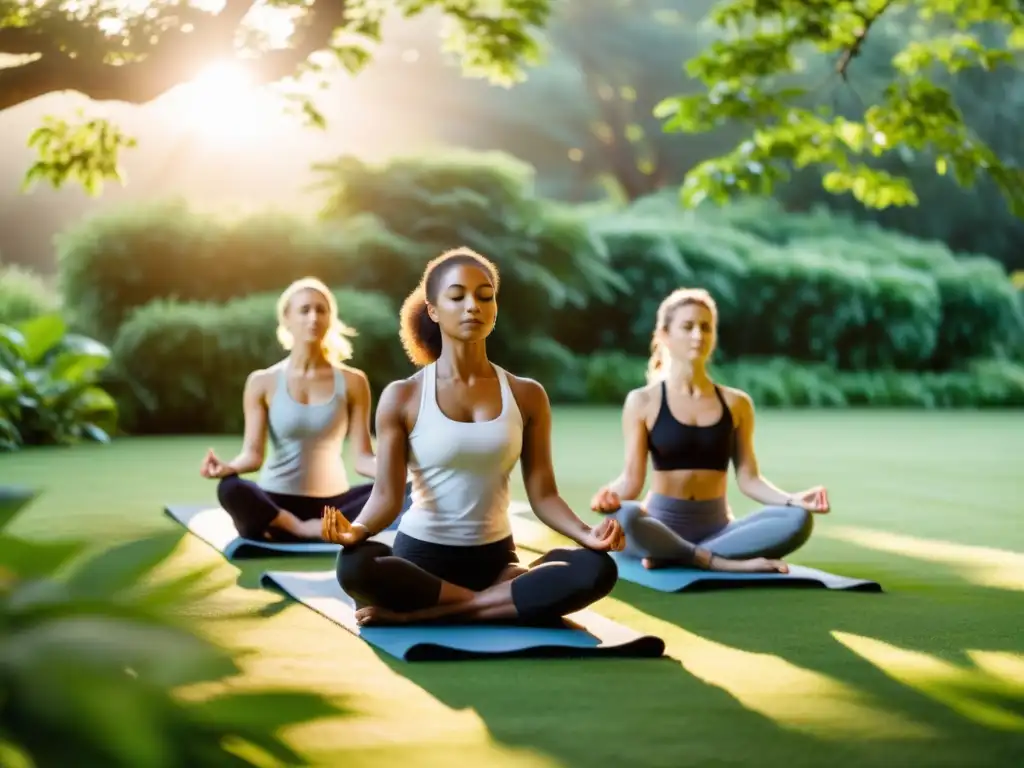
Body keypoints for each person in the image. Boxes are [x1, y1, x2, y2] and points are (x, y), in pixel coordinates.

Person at [320, 247, 624, 626]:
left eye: (485, 296)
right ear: (432, 309)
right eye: (457, 296)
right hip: (421, 563)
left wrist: (588, 534)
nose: (473, 306)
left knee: (596, 567)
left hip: (496, 561)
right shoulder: (404, 396)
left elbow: (544, 493)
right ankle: (492, 604)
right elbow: (386, 495)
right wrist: (358, 530)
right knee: (354, 565)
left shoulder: (527, 394)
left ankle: (437, 613)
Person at [590, 287, 830, 574]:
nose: (698, 335)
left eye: (705, 327)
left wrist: (794, 499)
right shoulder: (642, 401)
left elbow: (749, 479)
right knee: (626, 516)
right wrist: (607, 497)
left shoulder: (737, 403)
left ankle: (678, 555)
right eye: (688, 326)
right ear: (665, 335)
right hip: (658, 525)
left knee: (798, 518)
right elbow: (631, 481)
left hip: (719, 530)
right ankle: (717, 560)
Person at [199, 277, 408, 541]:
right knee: (230, 489)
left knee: (406, 489)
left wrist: (403, 472)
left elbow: (363, 458)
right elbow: (252, 456)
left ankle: (307, 528)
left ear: (330, 318)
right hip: (274, 505)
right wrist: (227, 468)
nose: (314, 317)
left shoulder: (354, 382)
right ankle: (298, 528)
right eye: (305, 310)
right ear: (286, 318)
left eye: (321, 310)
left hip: (334, 508)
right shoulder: (262, 381)